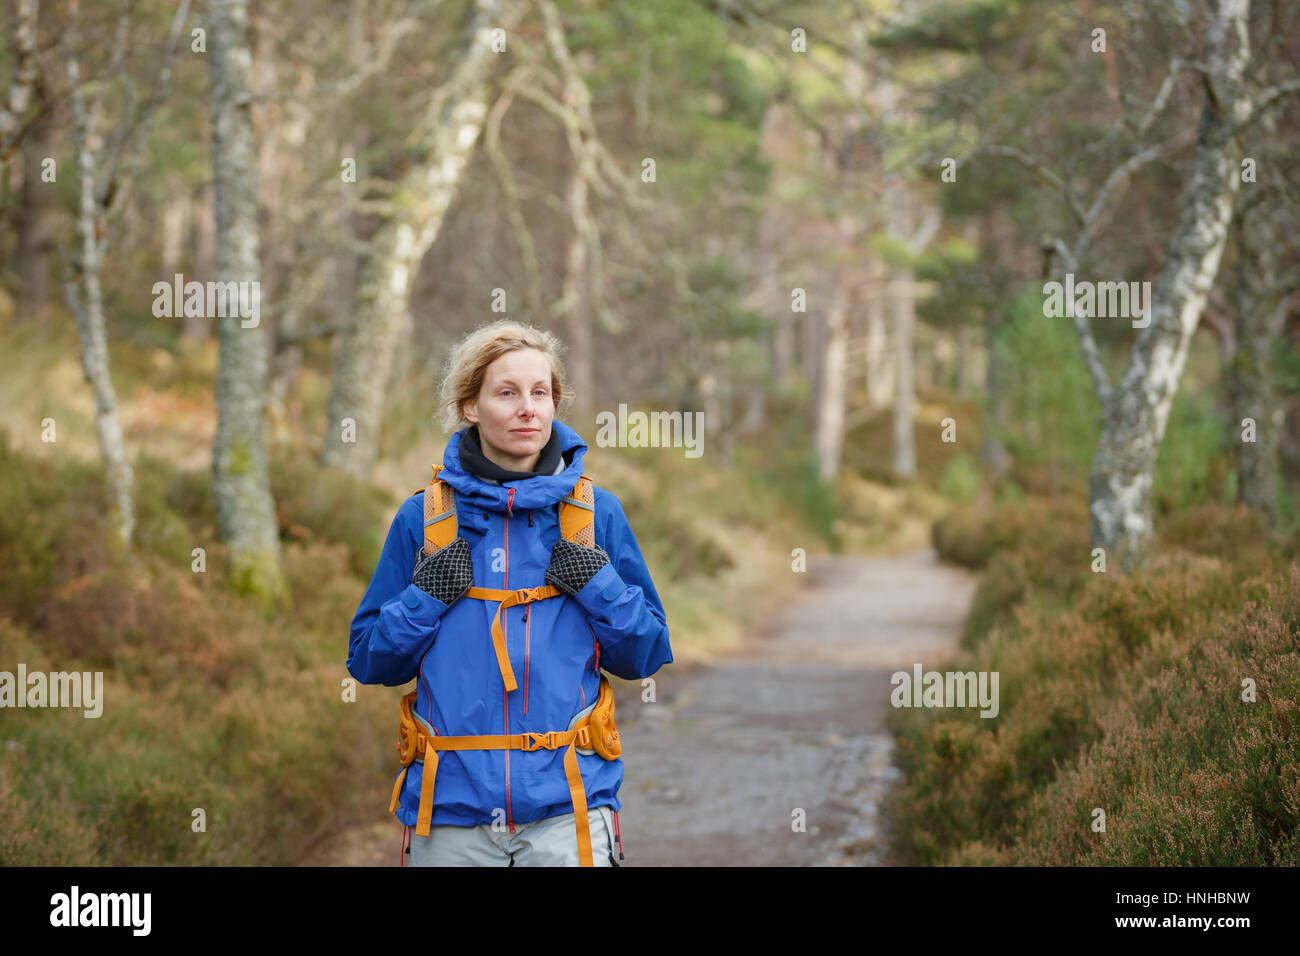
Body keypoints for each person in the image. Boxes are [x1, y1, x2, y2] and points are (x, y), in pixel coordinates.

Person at [347, 319, 673, 866]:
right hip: (449, 819)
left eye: (540, 393)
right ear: (470, 406)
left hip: (568, 814)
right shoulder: (425, 519)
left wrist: (598, 584)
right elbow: (369, 662)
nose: (528, 408)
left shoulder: (595, 516)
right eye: (507, 392)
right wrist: (425, 597)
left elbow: (646, 655)